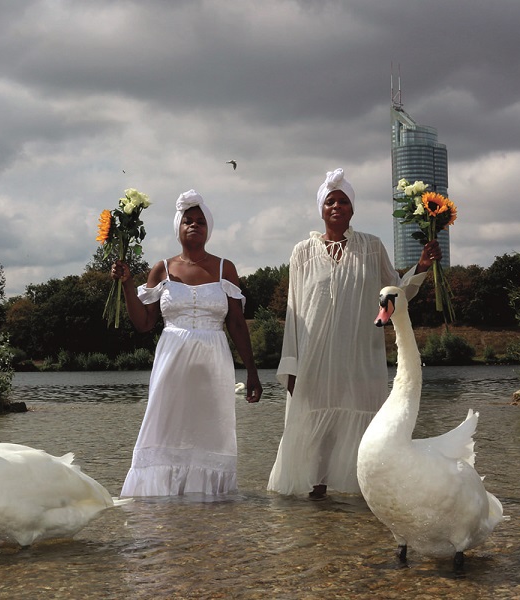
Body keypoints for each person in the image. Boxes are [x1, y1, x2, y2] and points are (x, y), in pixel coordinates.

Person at [267, 168, 440, 500]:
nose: (336, 206)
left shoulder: (372, 248)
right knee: (314, 438)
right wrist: (291, 365)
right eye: (330, 200)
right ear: (321, 208)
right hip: (314, 362)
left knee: (364, 433)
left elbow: (395, 294)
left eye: (343, 201)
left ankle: (365, 502)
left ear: (352, 209)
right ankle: (315, 499)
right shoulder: (302, 252)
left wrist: (420, 267)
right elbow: (293, 311)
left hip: (360, 360)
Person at [112, 189, 263, 497]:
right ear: (177, 227)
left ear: (209, 229)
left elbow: (235, 323)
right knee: (165, 427)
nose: (194, 226)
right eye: (188, 221)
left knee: (211, 431)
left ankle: (207, 502)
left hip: (214, 363)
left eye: (201, 222)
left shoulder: (225, 268)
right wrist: (127, 283)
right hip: (172, 362)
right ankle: (160, 498)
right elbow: (143, 323)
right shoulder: (162, 269)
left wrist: (252, 372)